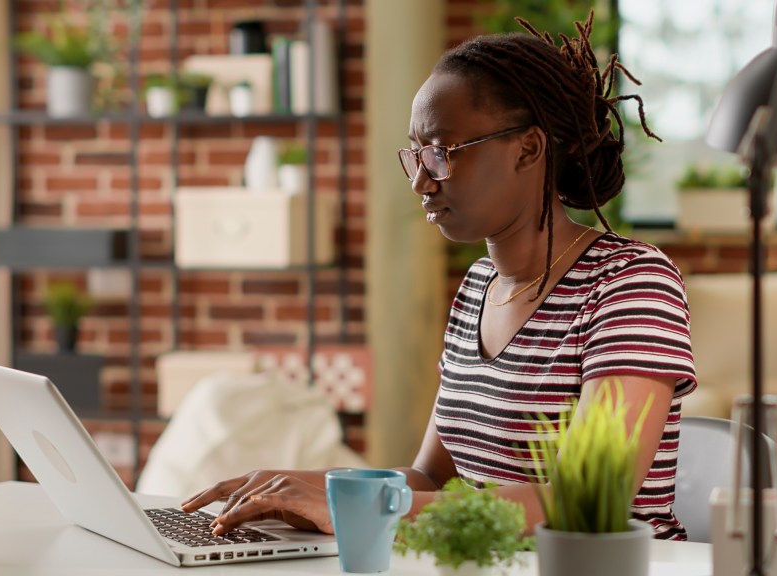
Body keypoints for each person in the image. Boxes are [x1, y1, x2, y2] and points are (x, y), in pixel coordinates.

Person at [181, 14, 697, 540]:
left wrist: (358, 511)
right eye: (416, 154)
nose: (422, 181)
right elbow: (431, 477)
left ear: (529, 148)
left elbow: (590, 495)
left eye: (442, 152)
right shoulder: (479, 287)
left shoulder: (630, 283)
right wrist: (297, 488)